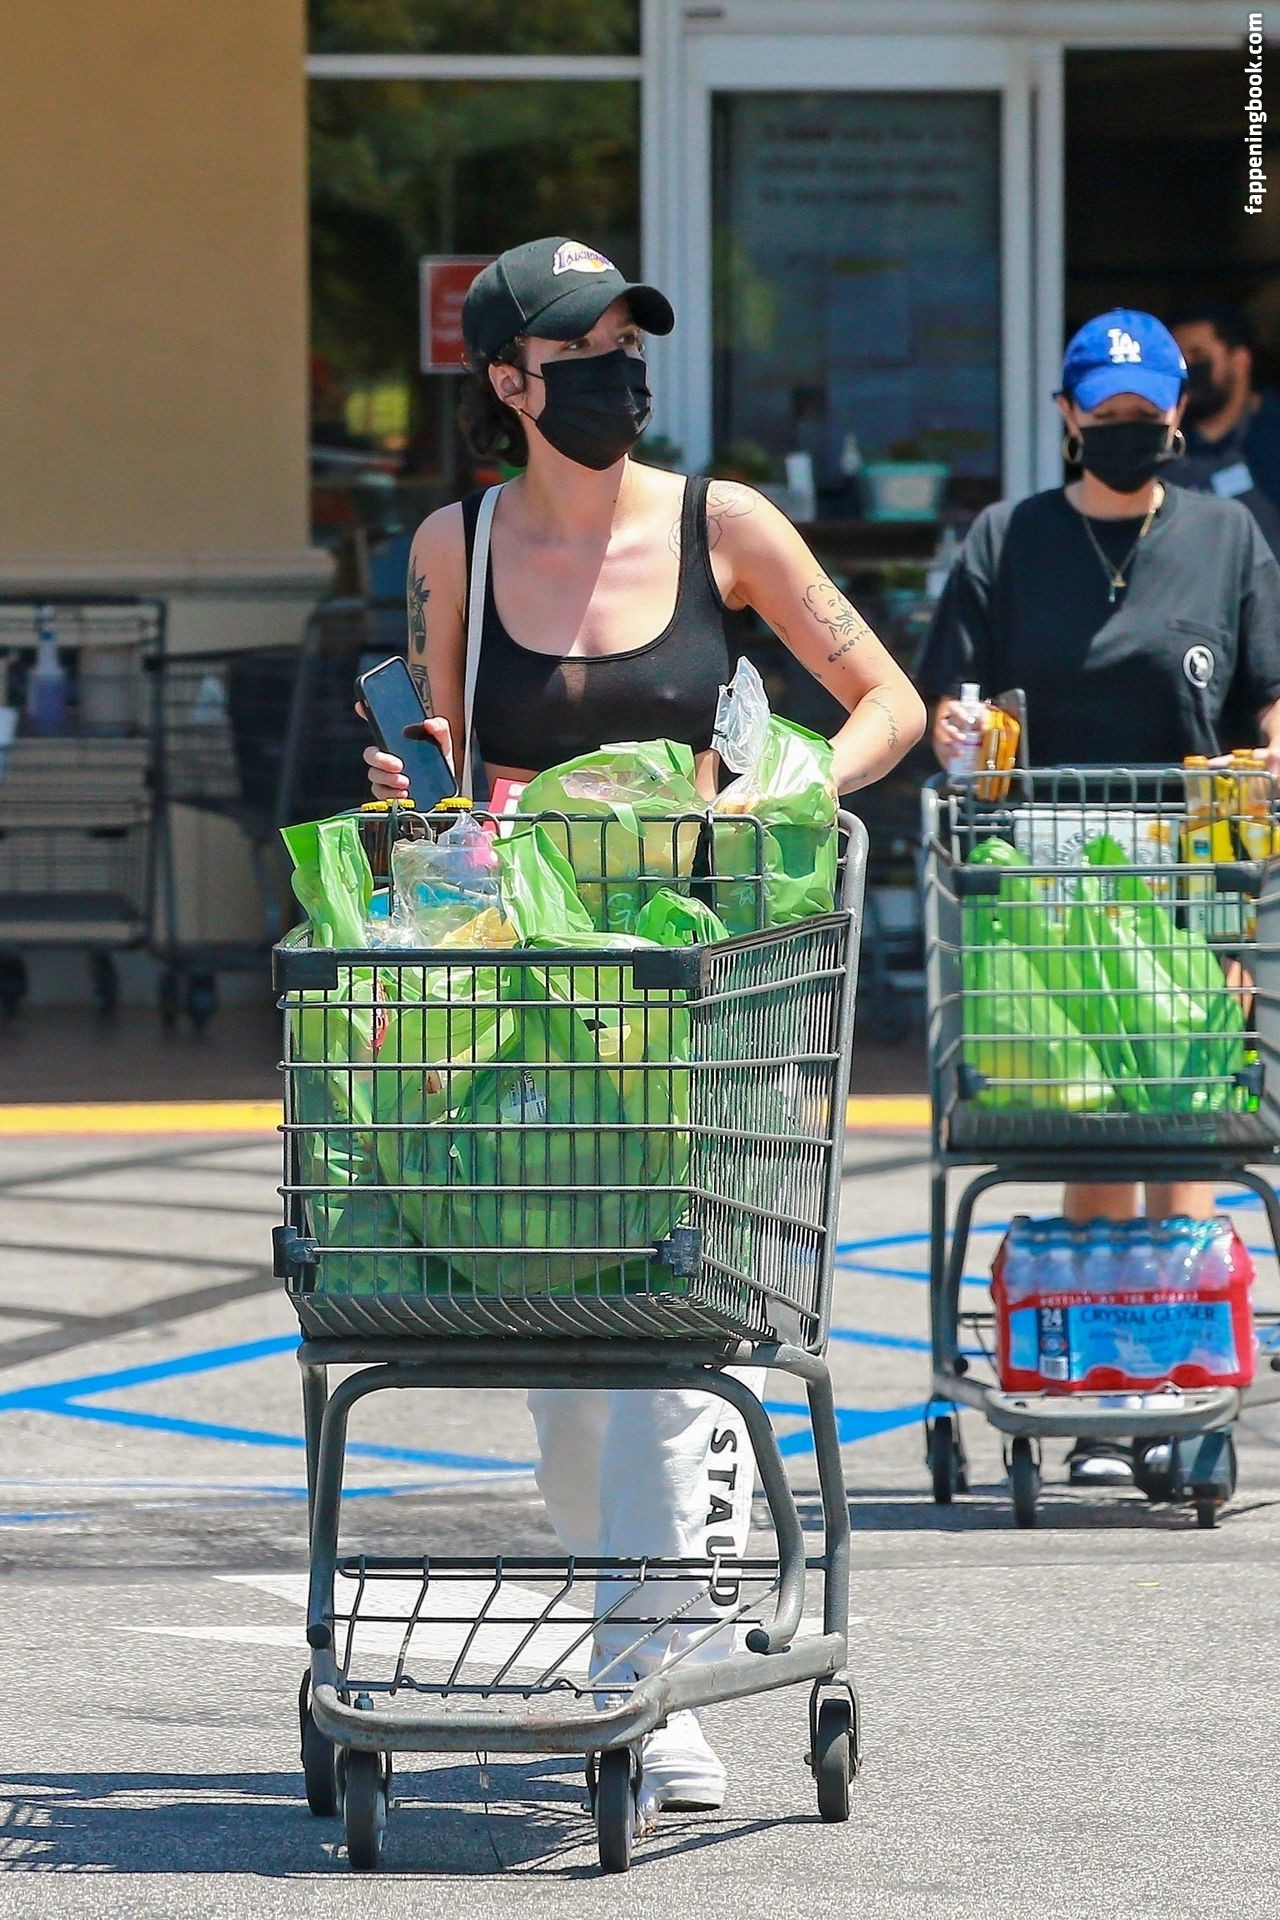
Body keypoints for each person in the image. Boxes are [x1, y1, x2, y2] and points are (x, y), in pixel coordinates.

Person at [362, 234, 925, 1811]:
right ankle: (666, 1590)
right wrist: (415, 789)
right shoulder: (457, 547)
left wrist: (776, 790)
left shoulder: (721, 524)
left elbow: (884, 700)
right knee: (566, 1363)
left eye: (631, 344)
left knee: (663, 1346)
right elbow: (440, 779)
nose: (620, 374)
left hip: (709, 986)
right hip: (537, 1004)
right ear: (509, 380)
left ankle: (648, 1679)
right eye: (585, 351)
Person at [916, 306, 1280, 1488]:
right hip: (1045, 896)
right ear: (1067, 417)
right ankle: (1091, 1392)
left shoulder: (1224, 537)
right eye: (1104, 413)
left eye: (1144, 412)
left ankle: (1174, 1384)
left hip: (1192, 884)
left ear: (1174, 413)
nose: (1125, 429)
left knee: (1179, 1115)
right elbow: (948, 700)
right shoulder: (1008, 539)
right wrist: (956, 731)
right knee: (1080, 1119)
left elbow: (1265, 691)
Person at [1166, 303, 1280, 563]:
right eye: (1177, 359)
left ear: (1239, 361)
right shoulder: (1161, 445)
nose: (1185, 368)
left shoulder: (1272, 436)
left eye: (1197, 355)